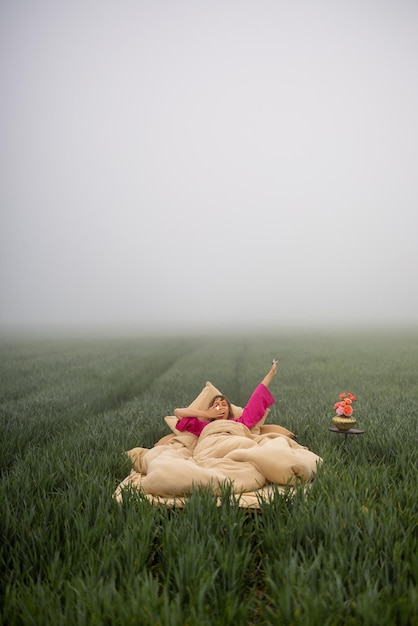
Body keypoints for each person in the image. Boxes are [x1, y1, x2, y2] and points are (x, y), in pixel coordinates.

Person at [174, 359, 278, 437]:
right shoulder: (202, 426)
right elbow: (178, 412)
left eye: (224, 404)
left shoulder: (239, 422)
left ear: (229, 411)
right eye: (216, 405)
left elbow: (256, 398)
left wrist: (271, 373)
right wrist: (205, 414)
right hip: (211, 448)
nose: (220, 407)